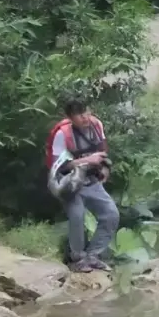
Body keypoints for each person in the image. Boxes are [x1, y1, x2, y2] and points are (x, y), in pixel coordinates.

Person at [47, 98, 120, 273]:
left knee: (111, 214)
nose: (85, 117)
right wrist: (87, 160)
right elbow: (59, 166)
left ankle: (93, 256)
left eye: (86, 112)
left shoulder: (97, 125)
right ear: (70, 117)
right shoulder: (62, 134)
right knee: (77, 217)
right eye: (79, 115)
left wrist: (104, 168)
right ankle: (77, 259)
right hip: (70, 184)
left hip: (92, 180)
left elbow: (102, 152)